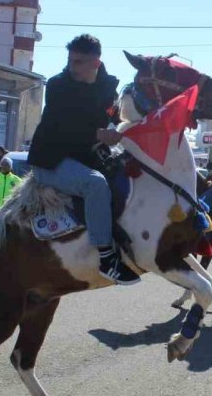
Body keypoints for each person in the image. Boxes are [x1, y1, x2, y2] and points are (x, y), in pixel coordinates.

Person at [28, 33, 139, 284]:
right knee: (94, 183)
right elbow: (63, 128)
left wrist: (117, 129)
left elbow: (114, 118)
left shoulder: (108, 87)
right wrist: (98, 134)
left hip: (87, 158)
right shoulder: (57, 86)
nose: (71, 67)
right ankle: (107, 258)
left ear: (96, 63)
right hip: (50, 161)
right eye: (70, 60)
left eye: (78, 62)